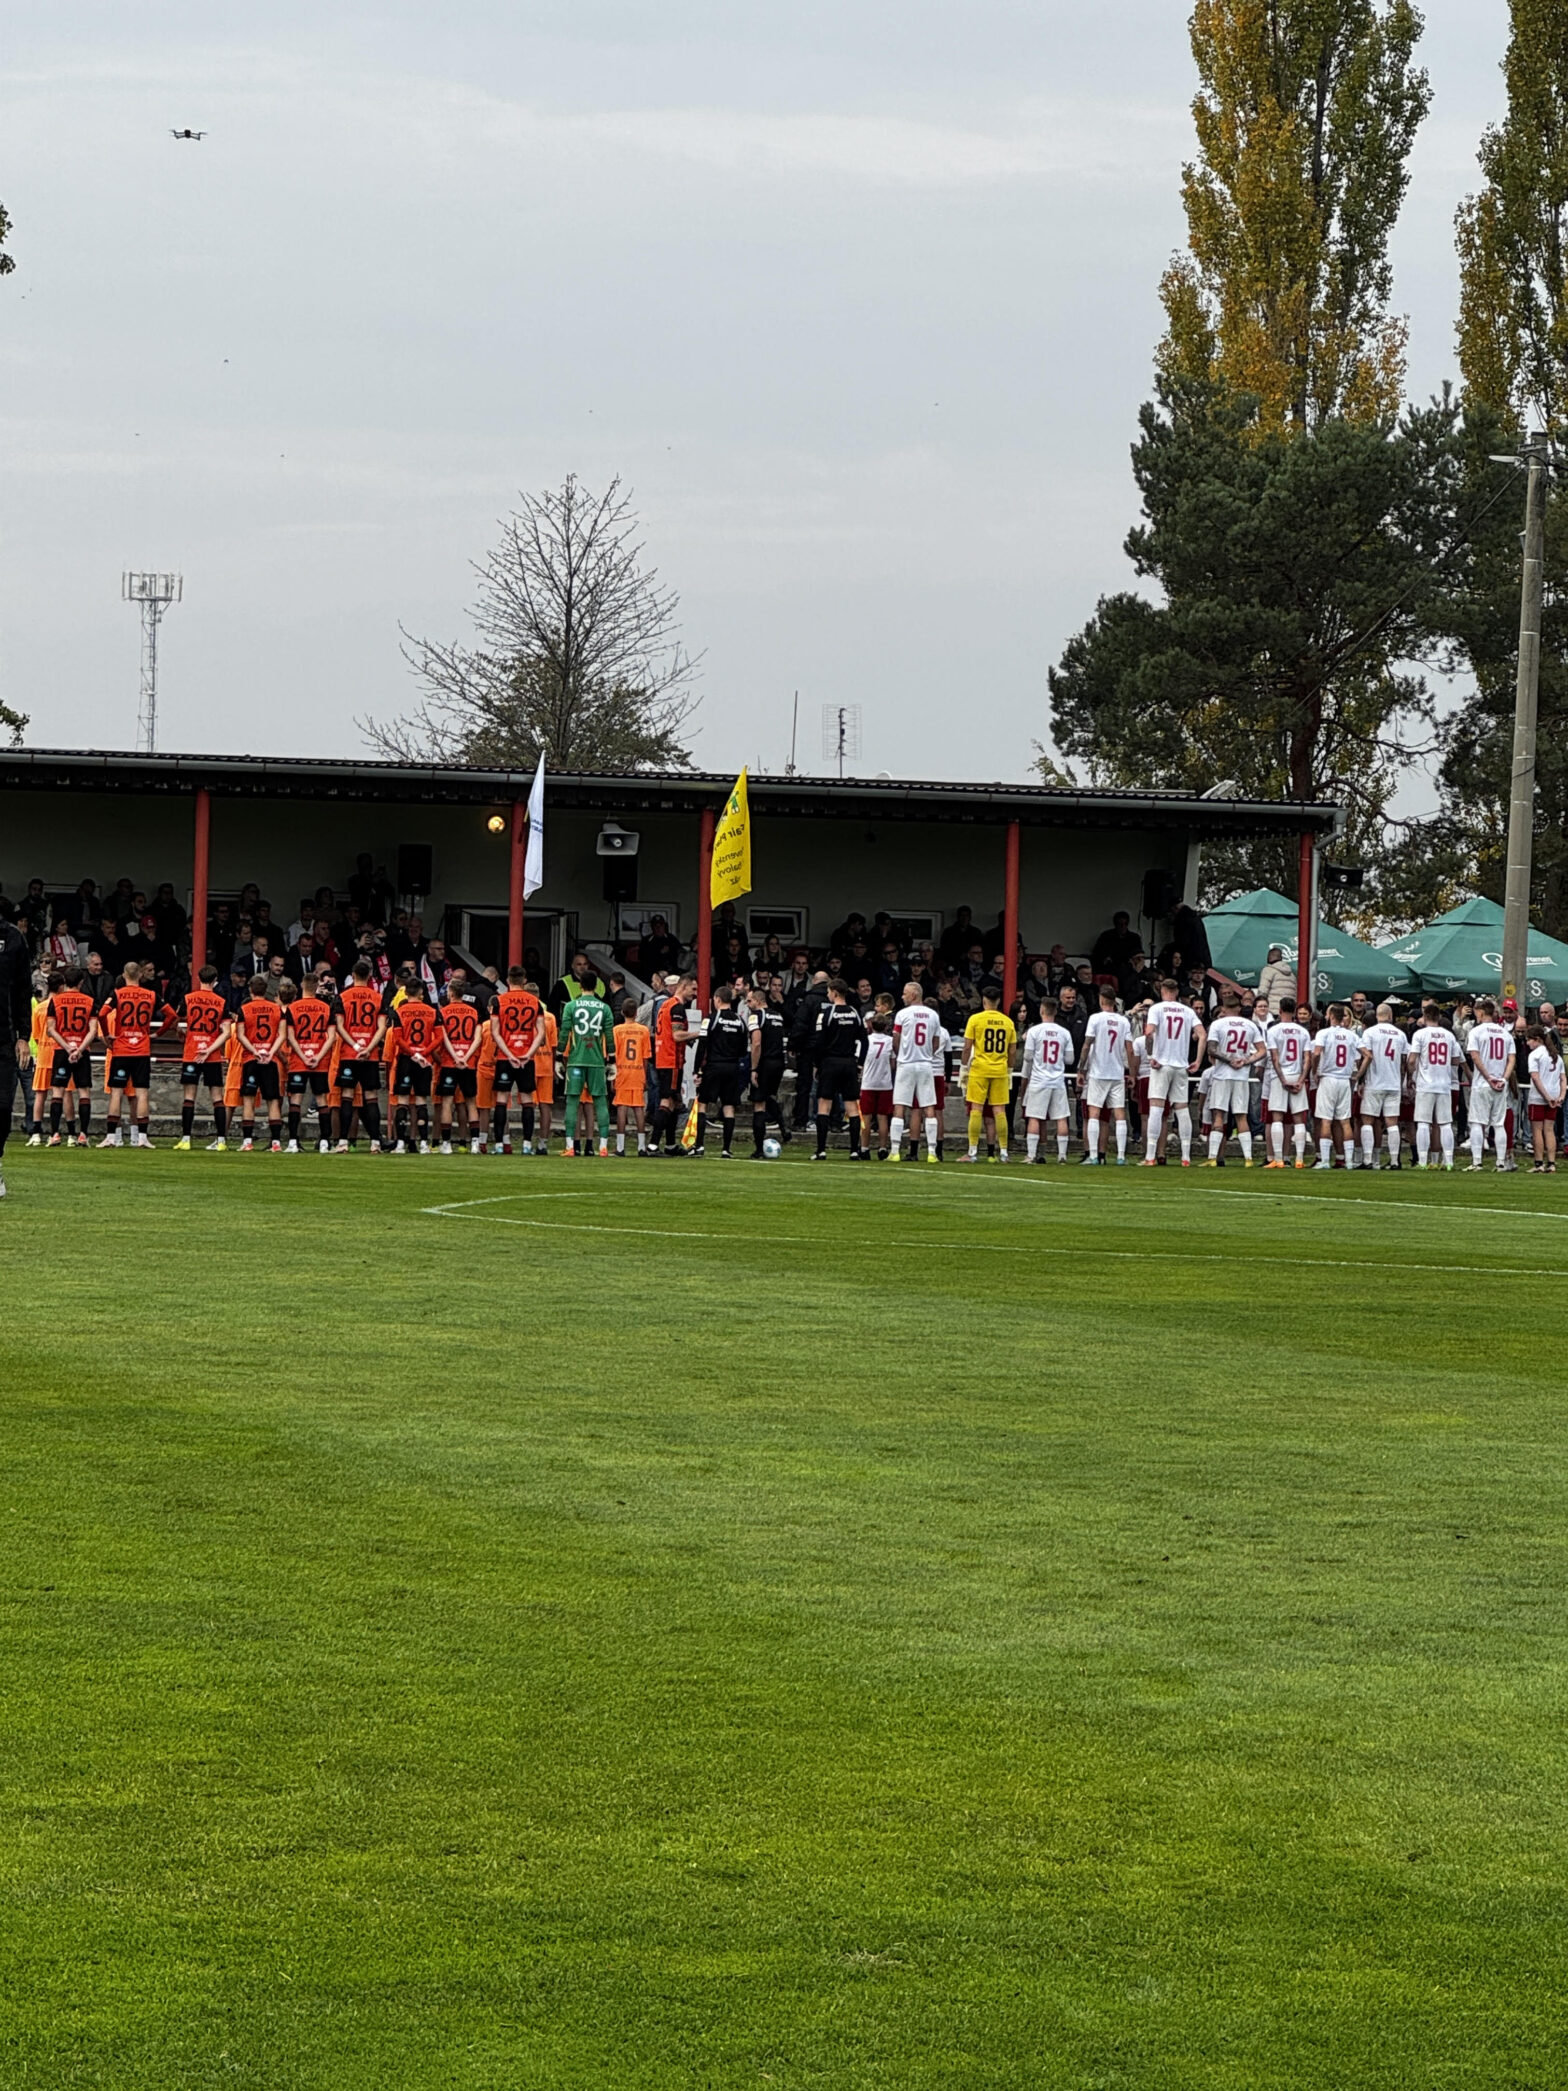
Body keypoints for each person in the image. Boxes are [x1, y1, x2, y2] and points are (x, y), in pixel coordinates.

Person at [99, 962, 175, 1149]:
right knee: (142, 1094)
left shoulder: (117, 994)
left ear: (124, 975)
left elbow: (101, 1014)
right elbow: (172, 1015)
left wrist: (107, 1034)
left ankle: (111, 1137)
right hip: (141, 1048)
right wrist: (158, 1033)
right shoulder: (151, 995)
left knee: (116, 1093)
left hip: (121, 1048)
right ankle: (141, 1137)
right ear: (140, 975)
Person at [1141, 979, 1203, 1167]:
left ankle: (1150, 1155)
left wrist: (1151, 1055)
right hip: (1180, 1065)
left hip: (1162, 1064)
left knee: (1156, 1107)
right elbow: (1202, 1034)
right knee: (1182, 1109)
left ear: (1162, 991)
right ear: (1176, 992)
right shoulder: (1187, 1011)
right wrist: (1198, 1060)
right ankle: (1186, 1157)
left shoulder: (1157, 1009)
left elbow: (1149, 1033)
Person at [174, 964, 232, 1150]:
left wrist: (182, 1032)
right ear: (215, 981)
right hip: (212, 1054)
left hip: (192, 1052)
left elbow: (178, 1020)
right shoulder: (221, 1002)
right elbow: (226, 1033)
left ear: (199, 979)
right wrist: (209, 1049)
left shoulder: (188, 999)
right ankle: (221, 1140)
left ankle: (186, 1139)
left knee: (189, 1096)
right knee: (217, 1097)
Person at [40, 968, 98, 1147]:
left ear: (65, 981)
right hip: (82, 1050)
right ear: (81, 982)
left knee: (57, 1091)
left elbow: (51, 1029)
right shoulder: (89, 1001)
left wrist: (67, 1047)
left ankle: (55, 1134)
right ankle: (83, 1135)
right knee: (84, 1092)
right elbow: (93, 1030)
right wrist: (79, 1049)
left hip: (61, 1051)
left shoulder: (55, 1001)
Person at [887, 981, 944, 1164]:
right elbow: (936, 1042)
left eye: (905, 993)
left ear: (913, 994)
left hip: (906, 1064)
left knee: (899, 1106)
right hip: (926, 1064)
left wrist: (901, 1055)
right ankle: (932, 1152)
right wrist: (927, 1054)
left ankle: (894, 1151)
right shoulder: (933, 1015)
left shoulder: (902, 1014)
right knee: (929, 1108)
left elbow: (895, 1040)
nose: (902, 996)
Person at [488, 967, 544, 1154]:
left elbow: (495, 1032)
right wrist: (529, 1053)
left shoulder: (498, 1001)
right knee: (527, 1100)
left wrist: (509, 1054)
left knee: (502, 1099)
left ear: (507, 980)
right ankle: (527, 1144)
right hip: (526, 1056)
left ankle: (498, 1144)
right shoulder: (535, 1002)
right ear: (524, 980)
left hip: (506, 1056)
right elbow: (541, 1032)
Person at [335, 959, 388, 1153]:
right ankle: (375, 1142)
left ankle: (343, 1143)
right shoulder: (377, 997)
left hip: (349, 1053)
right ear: (370, 976)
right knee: (371, 1097)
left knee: (347, 1096)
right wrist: (368, 1048)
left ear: (353, 974)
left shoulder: (343, 996)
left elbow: (340, 1026)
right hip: (370, 1055)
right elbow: (382, 1028)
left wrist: (356, 1045)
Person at [1204, 993, 1263, 1167]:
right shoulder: (1250, 1025)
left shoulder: (1217, 1024)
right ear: (1239, 1008)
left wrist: (1229, 1060)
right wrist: (1246, 1061)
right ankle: (1248, 1158)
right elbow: (1262, 1051)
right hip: (1241, 1075)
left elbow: (1212, 1050)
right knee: (1241, 1116)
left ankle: (1213, 1157)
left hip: (1223, 1074)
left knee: (1219, 1115)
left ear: (1223, 1008)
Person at [559, 975, 615, 1157]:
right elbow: (609, 1035)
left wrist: (559, 1056)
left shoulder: (571, 1006)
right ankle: (603, 1147)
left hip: (576, 1059)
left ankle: (569, 1146)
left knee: (572, 1102)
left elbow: (565, 1032)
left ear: (580, 985)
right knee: (600, 1102)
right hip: (597, 1060)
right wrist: (612, 1060)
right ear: (597, 986)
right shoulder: (605, 1008)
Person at [691, 985, 750, 1158]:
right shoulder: (740, 1021)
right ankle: (726, 1149)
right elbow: (742, 1049)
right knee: (729, 1105)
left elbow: (702, 1045)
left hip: (714, 1066)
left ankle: (700, 1145)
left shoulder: (711, 1019)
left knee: (703, 1103)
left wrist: (697, 1070)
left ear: (717, 999)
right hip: (732, 1067)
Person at [812, 979, 867, 1160]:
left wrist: (817, 1064)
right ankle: (853, 1150)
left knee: (824, 1105)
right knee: (852, 1107)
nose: (828, 994)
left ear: (835, 992)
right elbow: (865, 1041)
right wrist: (860, 1063)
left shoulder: (827, 1013)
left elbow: (819, 1041)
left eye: (829, 991)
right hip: (849, 1063)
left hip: (830, 1062)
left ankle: (821, 1150)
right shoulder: (854, 1013)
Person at [1079, 986, 1134, 1166]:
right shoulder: (1123, 1021)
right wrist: (1131, 1073)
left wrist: (1081, 1069)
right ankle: (1120, 1156)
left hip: (1098, 1072)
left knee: (1094, 1113)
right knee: (1119, 1114)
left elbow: (1087, 1045)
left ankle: (1093, 1156)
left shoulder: (1095, 1019)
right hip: (1116, 1072)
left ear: (1102, 1000)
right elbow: (1130, 1049)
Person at [961, 987, 1017, 1163]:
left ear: (984, 1000)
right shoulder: (1007, 1022)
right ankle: (1004, 1152)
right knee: (999, 1111)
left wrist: (964, 1067)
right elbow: (1013, 1051)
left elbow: (967, 1046)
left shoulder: (975, 1019)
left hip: (980, 1069)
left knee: (976, 1109)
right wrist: (1008, 1069)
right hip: (999, 1069)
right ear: (999, 1001)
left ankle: (972, 1151)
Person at [284, 976, 338, 1154]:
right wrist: (318, 1055)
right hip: (320, 1060)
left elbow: (290, 1036)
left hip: (299, 1060)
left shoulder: (293, 1008)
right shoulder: (326, 1008)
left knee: (296, 1099)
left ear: (301, 985)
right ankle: (324, 1140)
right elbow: (332, 1037)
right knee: (322, 1099)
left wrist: (303, 1056)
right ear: (317, 987)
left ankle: (293, 1141)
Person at [387, 983, 444, 1153]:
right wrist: (424, 1053)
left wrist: (413, 1053)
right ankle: (424, 1143)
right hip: (424, 1061)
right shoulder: (432, 1011)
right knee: (421, 1101)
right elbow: (439, 1037)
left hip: (406, 1058)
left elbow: (397, 1038)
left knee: (402, 1101)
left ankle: (400, 1144)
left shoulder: (399, 1012)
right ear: (420, 992)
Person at [1020, 996, 1075, 1163]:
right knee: (1061, 1117)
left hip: (1039, 1079)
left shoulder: (1034, 1032)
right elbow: (1070, 1059)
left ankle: (1031, 1154)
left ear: (1041, 1011)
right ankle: (1062, 1155)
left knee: (1035, 1117)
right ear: (1056, 1011)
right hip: (1057, 1079)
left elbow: (1028, 1056)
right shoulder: (1064, 1033)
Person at [235, 977, 287, 1152]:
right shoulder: (277, 1010)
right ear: (266, 991)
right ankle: (276, 1143)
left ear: (251, 990)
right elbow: (282, 1034)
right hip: (270, 1059)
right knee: (273, 1101)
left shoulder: (244, 1009)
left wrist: (255, 1051)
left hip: (251, 1058)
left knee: (248, 1100)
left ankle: (247, 1141)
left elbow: (241, 1035)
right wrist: (271, 1052)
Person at [1465, 996, 1516, 1172]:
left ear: (1480, 1012)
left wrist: (1488, 1077)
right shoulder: (1505, 1033)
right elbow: (1511, 1059)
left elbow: (1475, 1056)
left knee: (1477, 1122)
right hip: (1501, 1085)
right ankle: (1501, 1162)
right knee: (1499, 1123)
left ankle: (1477, 1162)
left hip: (1483, 1083)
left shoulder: (1476, 1032)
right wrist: (1504, 1078)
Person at [1261, 996, 1313, 1168]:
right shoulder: (1303, 1031)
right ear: (1295, 1011)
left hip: (1280, 1077)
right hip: (1297, 1074)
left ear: (1280, 1010)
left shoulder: (1273, 1031)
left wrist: (1282, 1079)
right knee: (1298, 1119)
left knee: (1277, 1117)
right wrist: (1301, 1079)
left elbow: (1274, 1058)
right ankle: (1298, 1159)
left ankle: (1278, 1159)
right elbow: (1307, 1058)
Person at [434, 981, 485, 1154]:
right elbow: (478, 1039)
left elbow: (443, 1037)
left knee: (447, 1102)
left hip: (450, 1062)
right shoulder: (474, 1012)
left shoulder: (443, 1012)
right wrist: (466, 1056)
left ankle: (446, 1143)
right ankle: (475, 1143)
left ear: (451, 993)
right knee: (471, 1103)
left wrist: (456, 1056)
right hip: (468, 1063)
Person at [1406, 1003, 1458, 1170]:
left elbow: (1412, 1059)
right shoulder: (1449, 1035)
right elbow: (1456, 1059)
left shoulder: (1420, 1034)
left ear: (1425, 1015)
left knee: (1423, 1122)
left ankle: (1422, 1161)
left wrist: (1410, 1076)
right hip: (1444, 1084)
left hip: (1425, 1084)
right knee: (1445, 1123)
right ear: (1439, 1017)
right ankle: (1449, 1161)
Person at [1357, 1003, 1408, 1170]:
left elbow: (1366, 1057)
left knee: (1367, 1120)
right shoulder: (1400, 1034)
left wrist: (1360, 1079)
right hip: (1393, 1082)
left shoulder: (1369, 1033)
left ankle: (1367, 1160)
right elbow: (1404, 1061)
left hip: (1375, 1082)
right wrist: (1402, 1080)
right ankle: (1394, 1161)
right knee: (1392, 1122)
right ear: (1390, 1015)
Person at [652, 976, 699, 1155]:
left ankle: (670, 1145)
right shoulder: (677, 1007)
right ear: (683, 987)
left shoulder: (666, 1004)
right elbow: (677, 1035)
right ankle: (653, 1145)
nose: (695, 994)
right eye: (693, 990)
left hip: (665, 1058)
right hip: (671, 1059)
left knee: (676, 1102)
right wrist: (698, 1033)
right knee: (667, 1101)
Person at [1310, 1004, 1361, 1170]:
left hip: (1329, 1077)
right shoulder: (1351, 1035)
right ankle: (1349, 1161)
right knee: (1345, 1121)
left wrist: (1315, 1070)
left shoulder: (1324, 1033)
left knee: (1325, 1119)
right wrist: (1358, 1073)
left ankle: (1324, 1160)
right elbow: (1366, 1054)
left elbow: (1317, 1053)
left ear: (1331, 1015)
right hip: (1344, 1079)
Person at [745, 984, 789, 1157]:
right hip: (778, 1062)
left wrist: (753, 1068)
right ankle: (783, 1127)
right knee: (768, 1096)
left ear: (757, 1000)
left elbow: (756, 1043)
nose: (748, 1004)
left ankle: (758, 1149)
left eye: (750, 1001)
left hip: (764, 1062)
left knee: (759, 1104)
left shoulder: (756, 1016)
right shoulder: (777, 1015)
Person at [613, 997, 652, 1155]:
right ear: (636, 1013)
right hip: (637, 1071)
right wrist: (645, 1076)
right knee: (638, 1109)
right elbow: (646, 1057)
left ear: (622, 1012)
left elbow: (613, 1056)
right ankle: (641, 1146)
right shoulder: (644, 1031)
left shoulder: (617, 1030)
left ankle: (621, 1147)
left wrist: (612, 1076)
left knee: (621, 1109)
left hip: (622, 1071)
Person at [1525, 1023, 1563, 1172]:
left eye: (1529, 1040)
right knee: (1549, 1130)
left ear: (1536, 1039)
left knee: (1537, 1130)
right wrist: (1560, 1096)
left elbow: (1535, 1078)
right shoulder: (1556, 1056)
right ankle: (1552, 1163)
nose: (1527, 1043)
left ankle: (1539, 1163)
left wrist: (1546, 1097)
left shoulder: (1535, 1055)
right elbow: (1563, 1078)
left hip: (1539, 1097)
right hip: (1554, 1096)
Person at [858, 1011, 896, 1158]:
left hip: (868, 1082)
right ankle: (882, 1148)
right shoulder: (890, 1041)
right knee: (883, 1117)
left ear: (871, 1025)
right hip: (885, 1083)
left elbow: (860, 1061)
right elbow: (893, 1064)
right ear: (886, 1026)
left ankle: (864, 1147)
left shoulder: (865, 1041)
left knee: (866, 1117)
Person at [1256, 945, 1296, 1014]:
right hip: (1289, 1013)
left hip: (1272, 1011)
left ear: (1270, 956)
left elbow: (1262, 992)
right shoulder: (1292, 975)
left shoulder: (1268, 970)